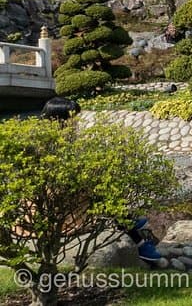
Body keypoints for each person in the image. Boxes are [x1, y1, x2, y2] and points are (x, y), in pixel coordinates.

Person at [40, 97, 163, 266]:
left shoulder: (65, 142)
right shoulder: (47, 146)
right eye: (73, 118)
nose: (77, 122)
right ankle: (140, 243)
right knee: (107, 202)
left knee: (106, 194)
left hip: (72, 199)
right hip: (62, 210)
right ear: (59, 119)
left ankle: (132, 227)